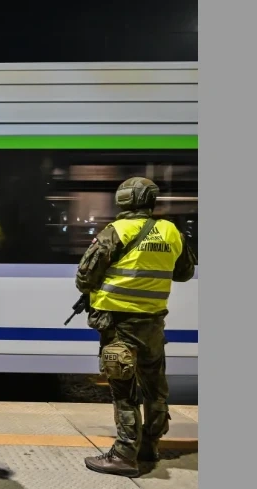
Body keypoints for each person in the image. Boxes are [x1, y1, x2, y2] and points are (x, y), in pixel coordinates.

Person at [74, 177, 196, 477]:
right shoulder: (170, 231)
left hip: (119, 325)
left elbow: (84, 277)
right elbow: (184, 272)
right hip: (153, 324)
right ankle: (150, 447)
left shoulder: (116, 231)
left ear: (124, 200)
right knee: (155, 389)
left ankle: (124, 455)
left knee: (124, 391)